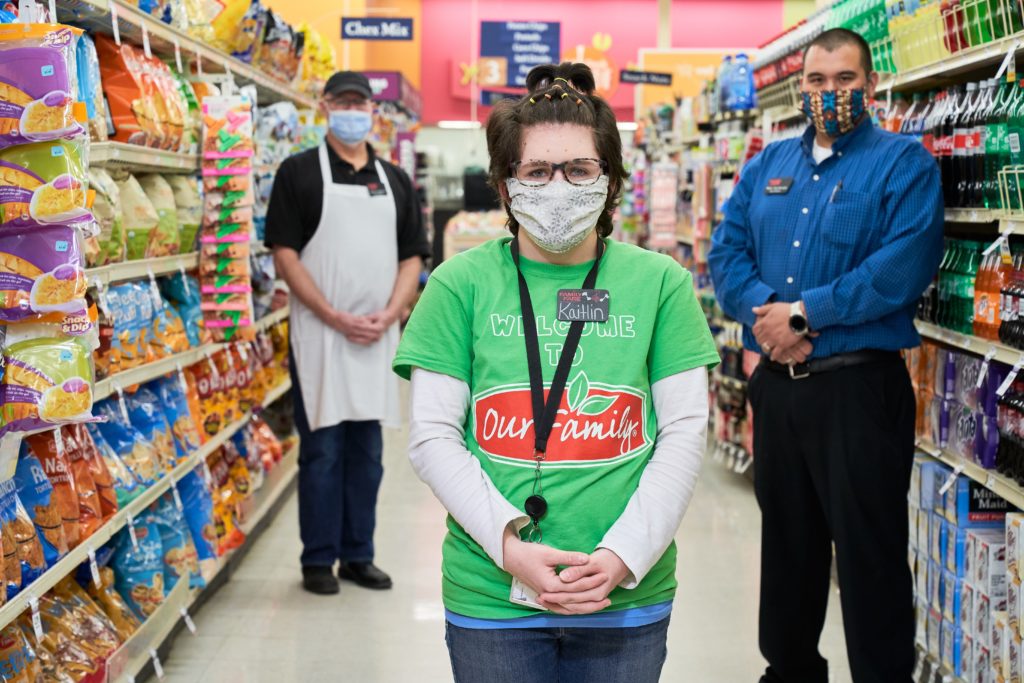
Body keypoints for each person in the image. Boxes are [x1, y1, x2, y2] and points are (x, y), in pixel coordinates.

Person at [392, 62, 718, 683]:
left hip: (626, 594)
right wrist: (510, 549)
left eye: (580, 169)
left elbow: (683, 432)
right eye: (537, 171)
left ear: (610, 179)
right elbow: (434, 436)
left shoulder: (661, 284)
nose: (559, 186)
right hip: (491, 593)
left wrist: (623, 555)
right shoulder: (459, 284)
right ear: (505, 181)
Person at [708, 29, 943, 683]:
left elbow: (903, 266)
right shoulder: (766, 165)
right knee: (787, 546)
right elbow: (725, 253)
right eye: (817, 81)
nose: (830, 93)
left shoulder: (903, 164)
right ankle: (789, 671)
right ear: (799, 86)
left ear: (869, 84)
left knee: (869, 554)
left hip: (859, 390)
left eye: (844, 80)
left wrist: (806, 314)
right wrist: (766, 312)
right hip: (778, 390)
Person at [265, 71, 429, 596]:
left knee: (368, 452)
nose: (353, 111)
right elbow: (285, 252)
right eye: (344, 102)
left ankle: (359, 554)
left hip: (377, 336)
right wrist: (332, 314)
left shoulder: (395, 179)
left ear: (373, 110)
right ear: (326, 105)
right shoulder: (297, 173)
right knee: (322, 451)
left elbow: (412, 256)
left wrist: (392, 312)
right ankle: (317, 559)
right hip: (321, 334)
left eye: (361, 102)